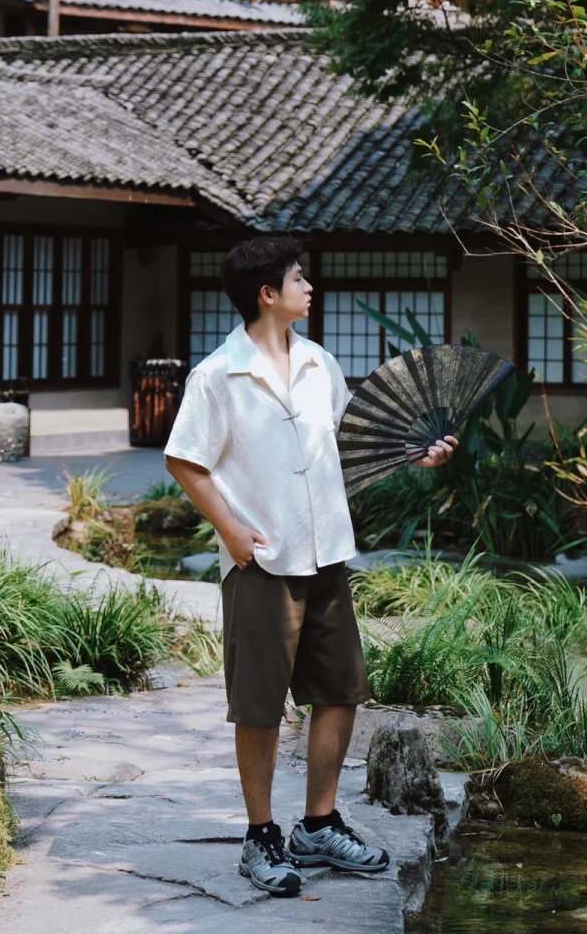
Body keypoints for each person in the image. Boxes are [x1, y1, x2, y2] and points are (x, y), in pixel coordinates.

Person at [164, 235, 457, 898]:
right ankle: (260, 837)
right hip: (264, 559)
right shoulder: (219, 375)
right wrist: (230, 529)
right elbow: (184, 460)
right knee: (260, 704)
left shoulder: (321, 363)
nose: (310, 287)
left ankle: (319, 824)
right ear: (268, 294)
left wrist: (415, 455)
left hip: (327, 550)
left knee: (340, 690)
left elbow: (347, 445)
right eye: (299, 279)